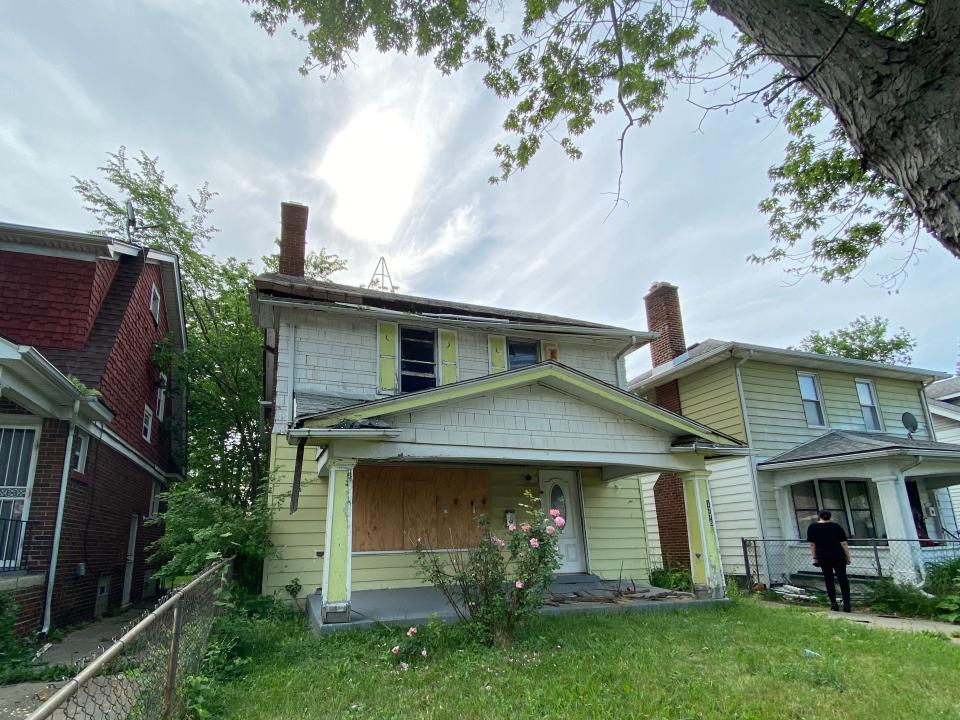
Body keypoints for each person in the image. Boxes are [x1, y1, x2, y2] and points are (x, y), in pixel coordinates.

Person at [806, 510, 852, 612]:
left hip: (823, 556)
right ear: (830, 517)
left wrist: (814, 557)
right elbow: (843, 543)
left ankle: (833, 603)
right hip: (838, 555)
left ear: (819, 516)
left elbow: (812, 544)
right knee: (842, 578)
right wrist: (848, 556)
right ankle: (847, 604)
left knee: (828, 579)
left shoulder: (813, 527)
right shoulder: (836, 526)